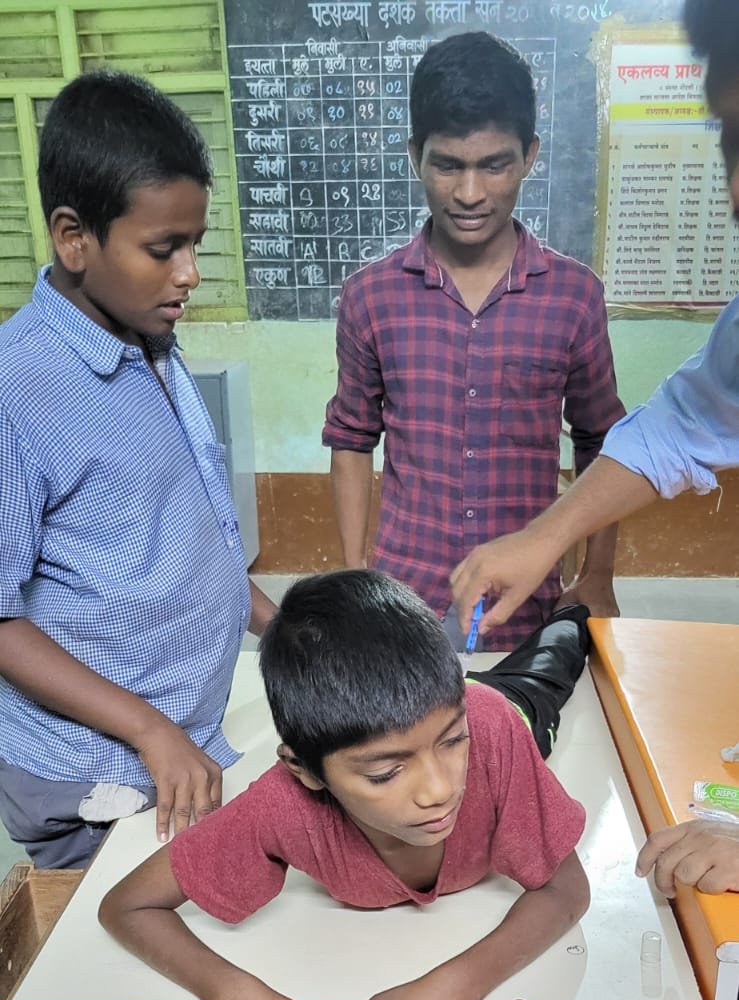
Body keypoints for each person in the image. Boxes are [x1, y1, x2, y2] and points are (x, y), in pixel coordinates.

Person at [99, 571, 590, 1000]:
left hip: (513, 711)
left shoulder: (489, 730)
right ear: (305, 770)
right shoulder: (283, 804)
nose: (440, 789)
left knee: (557, 653)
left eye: (453, 742)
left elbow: (566, 889)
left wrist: (454, 989)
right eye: (385, 773)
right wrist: (237, 997)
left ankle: (574, 608)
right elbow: (128, 906)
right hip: (461, 708)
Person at [451, 0, 739, 895]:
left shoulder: (569, 293)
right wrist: (545, 538)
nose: (736, 194)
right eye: (731, 143)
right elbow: (683, 423)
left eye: (493, 164)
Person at [0, 70, 275, 871]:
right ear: (73, 237)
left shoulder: (146, 343)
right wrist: (151, 731)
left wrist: (282, 626)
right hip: (96, 776)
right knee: (121, 937)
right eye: (163, 249)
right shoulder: (18, 389)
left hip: (181, 741)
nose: (189, 273)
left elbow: (175, 542)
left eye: (195, 244)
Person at [322, 31, 624, 652]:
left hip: (526, 605)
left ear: (530, 155)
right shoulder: (369, 298)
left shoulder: (574, 298)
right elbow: (351, 438)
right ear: (415, 155)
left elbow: (603, 441)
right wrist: (355, 578)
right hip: (403, 605)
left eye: (494, 164)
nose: (469, 194)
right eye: (448, 165)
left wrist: (597, 574)